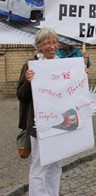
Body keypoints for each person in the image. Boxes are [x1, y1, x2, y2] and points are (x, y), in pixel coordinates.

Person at [17, 27, 62, 196]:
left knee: (56, 164)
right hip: (39, 125)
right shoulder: (30, 65)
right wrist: (28, 81)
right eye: (47, 43)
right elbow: (21, 95)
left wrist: (80, 74)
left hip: (59, 123)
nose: (52, 46)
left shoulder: (61, 63)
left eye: (54, 42)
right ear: (39, 46)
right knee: (40, 165)